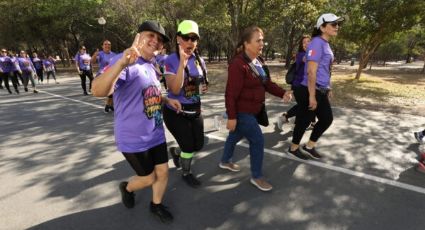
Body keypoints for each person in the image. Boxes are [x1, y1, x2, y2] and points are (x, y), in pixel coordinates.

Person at [92, 20, 179, 224]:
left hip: (156, 133)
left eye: (159, 39)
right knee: (148, 178)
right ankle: (127, 188)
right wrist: (122, 63)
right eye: (151, 35)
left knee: (163, 172)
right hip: (133, 138)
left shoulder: (151, 65)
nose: (155, 41)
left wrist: (166, 99)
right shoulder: (123, 61)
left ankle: (156, 204)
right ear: (138, 36)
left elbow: (147, 92)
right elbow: (98, 90)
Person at [220, 26, 291, 192]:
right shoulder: (238, 64)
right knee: (257, 140)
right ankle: (257, 176)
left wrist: (283, 93)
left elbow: (267, 83)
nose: (262, 43)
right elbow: (230, 94)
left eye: (262, 40)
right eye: (258, 40)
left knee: (235, 135)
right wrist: (231, 117)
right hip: (242, 112)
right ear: (246, 43)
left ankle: (224, 161)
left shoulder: (259, 62)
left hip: (254, 111)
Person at [288, 13, 344, 160]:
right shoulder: (316, 43)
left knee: (326, 119)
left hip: (321, 88)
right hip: (309, 89)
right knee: (305, 119)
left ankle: (309, 146)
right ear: (322, 27)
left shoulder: (325, 43)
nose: (337, 27)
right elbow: (311, 71)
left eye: (338, 24)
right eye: (333, 24)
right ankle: (293, 148)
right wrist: (312, 96)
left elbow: (326, 68)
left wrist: (328, 87)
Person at [163, 20, 208, 188]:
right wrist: (182, 63)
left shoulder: (199, 61)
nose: (190, 42)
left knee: (199, 144)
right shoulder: (170, 60)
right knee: (189, 146)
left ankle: (176, 152)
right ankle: (186, 173)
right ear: (178, 39)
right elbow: (174, 89)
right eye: (186, 37)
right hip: (175, 112)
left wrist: (203, 88)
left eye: (194, 38)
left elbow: (199, 85)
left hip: (194, 109)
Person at [91, 40, 117, 113]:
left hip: (112, 74)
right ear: (102, 46)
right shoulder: (100, 54)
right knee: (109, 90)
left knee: (113, 90)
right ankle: (108, 104)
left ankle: (110, 105)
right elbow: (92, 61)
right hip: (103, 75)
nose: (107, 46)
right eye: (105, 44)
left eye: (109, 44)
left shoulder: (114, 54)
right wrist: (95, 55)